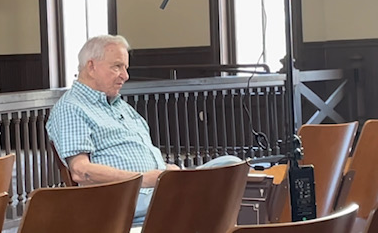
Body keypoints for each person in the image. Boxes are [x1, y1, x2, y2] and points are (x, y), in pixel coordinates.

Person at [46, 34, 242, 224]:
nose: (125, 75)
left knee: (231, 165)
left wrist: (165, 170)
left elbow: (139, 156)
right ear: (91, 66)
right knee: (214, 193)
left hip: (158, 186)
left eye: (126, 67)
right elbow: (81, 171)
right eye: (117, 66)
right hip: (122, 197)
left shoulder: (120, 106)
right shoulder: (72, 108)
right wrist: (145, 179)